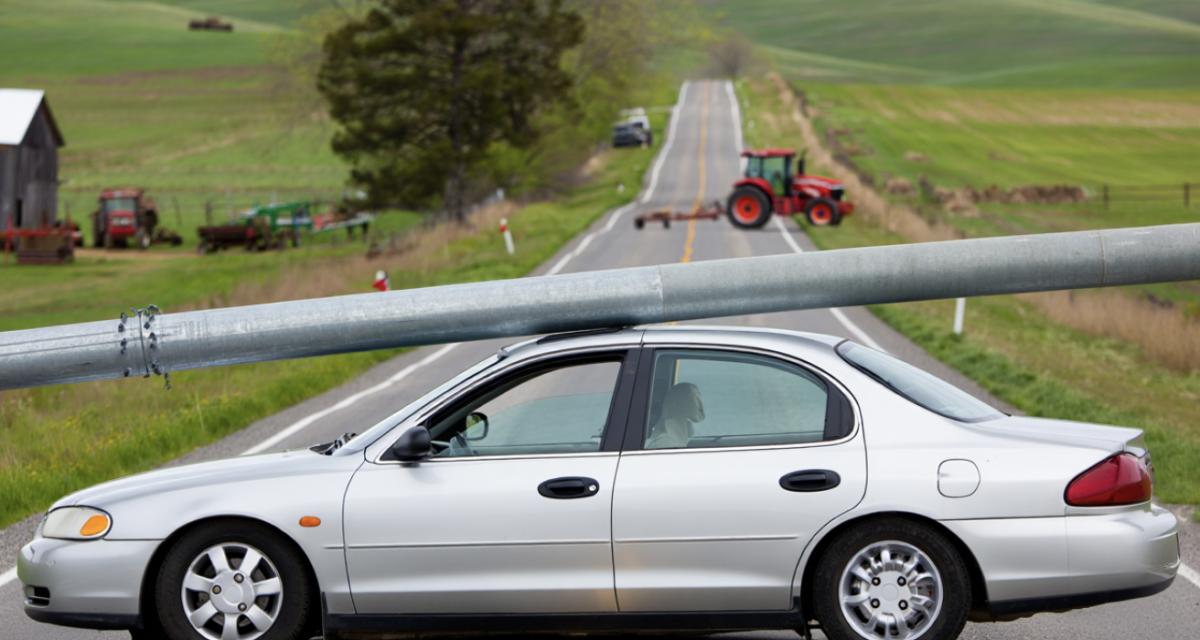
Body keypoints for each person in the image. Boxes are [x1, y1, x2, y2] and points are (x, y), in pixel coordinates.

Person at [646, 382, 705, 449]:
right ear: (678, 404)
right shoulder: (665, 444)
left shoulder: (674, 440)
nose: (701, 404)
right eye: (695, 398)